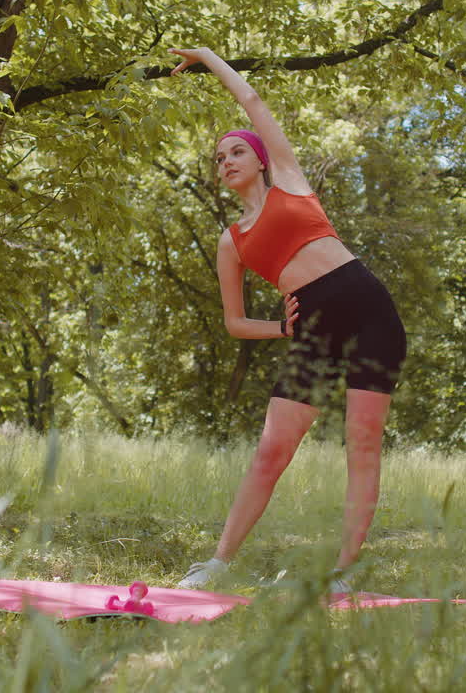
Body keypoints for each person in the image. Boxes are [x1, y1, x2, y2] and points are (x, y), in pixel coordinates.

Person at [168, 47, 408, 594]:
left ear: (259, 159)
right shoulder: (231, 241)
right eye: (217, 158)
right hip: (314, 327)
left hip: (371, 312)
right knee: (273, 449)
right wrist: (281, 329)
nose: (225, 161)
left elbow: (250, 98)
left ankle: (346, 571)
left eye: (234, 152)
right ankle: (218, 564)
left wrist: (208, 57)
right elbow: (234, 322)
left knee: (363, 440)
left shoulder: (292, 182)